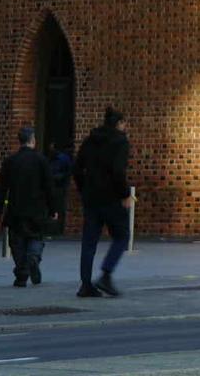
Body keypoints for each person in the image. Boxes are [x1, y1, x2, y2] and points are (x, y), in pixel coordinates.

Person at [74, 107, 132, 298]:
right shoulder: (120, 142)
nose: (125, 127)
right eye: (124, 123)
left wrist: (84, 189)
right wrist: (124, 194)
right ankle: (106, 274)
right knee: (122, 235)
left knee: (89, 241)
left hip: (91, 198)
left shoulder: (91, 140)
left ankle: (85, 284)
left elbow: (77, 168)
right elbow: (118, 171)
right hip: (111, 197)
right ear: (118, 124)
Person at [0, 126, 56, 287]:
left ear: (19, 141)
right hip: (37, 208)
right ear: (33, 140)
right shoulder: (41, 160)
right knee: (36, 236)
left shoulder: (10, 161)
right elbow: (49, 186)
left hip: (15, 208)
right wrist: (53, 208)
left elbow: (1, 187)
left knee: (17, 242)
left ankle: (22, 272)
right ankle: (33, 257)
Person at [47, 142, 73, 236]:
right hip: (56, 186)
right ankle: (54, 230)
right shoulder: (54, 159)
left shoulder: (61, 158)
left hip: (60, 186)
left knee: (59, 208)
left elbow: (68, 172)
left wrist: (59, 177)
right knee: (56, 208)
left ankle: (57, 230)